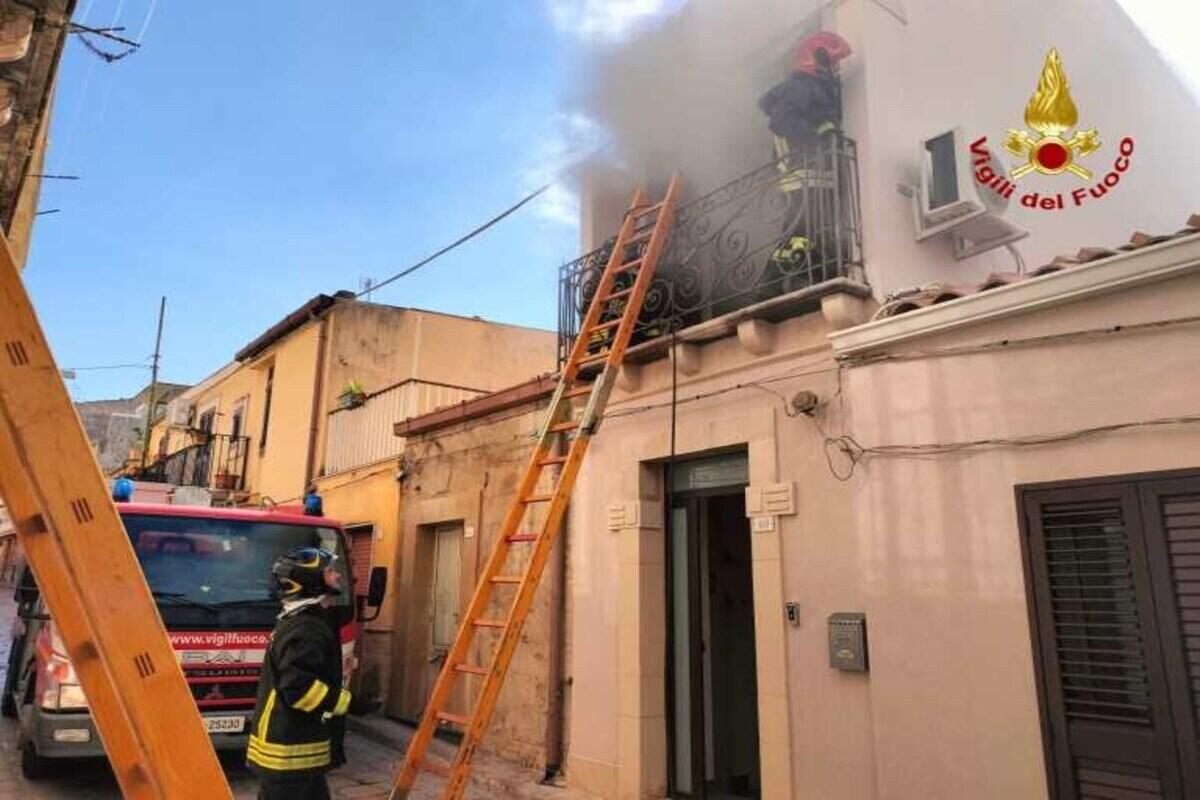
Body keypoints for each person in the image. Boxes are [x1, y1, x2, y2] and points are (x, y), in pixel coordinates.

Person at [249, 546, 355, 800]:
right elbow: (298, 689)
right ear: (311, 581)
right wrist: (345, 701)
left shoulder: (299, 621)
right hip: (290, 756)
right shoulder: (307, 627)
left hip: (294, 756)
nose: (338, 576)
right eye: (330, 571)